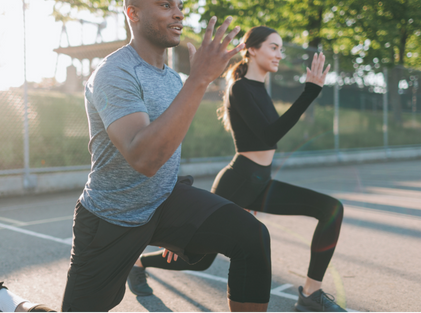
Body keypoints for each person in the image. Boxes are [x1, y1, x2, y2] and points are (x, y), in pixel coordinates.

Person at [0, 0, 275, 313]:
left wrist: (183, 224)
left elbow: (166, 149)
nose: (178, 14)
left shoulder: (170, 79)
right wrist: (199, 79)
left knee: (252, 237)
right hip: (113, 217)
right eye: (166, 5)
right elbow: (145, 157)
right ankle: (8, 304)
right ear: (133, 13)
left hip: (164, 200)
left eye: (180, 7)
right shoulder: (114, 73)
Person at [128, 26, 346, 313]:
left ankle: (310, 292)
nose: (279, 54)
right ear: (252, 49)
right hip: (239, 181)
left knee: (331, 209)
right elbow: (269, 136)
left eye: (281, 48)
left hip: (261, 182)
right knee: (199, 257)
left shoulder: (259, 88)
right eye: (274, 47)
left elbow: (268, 137)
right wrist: (309, 93)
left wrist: (310, 93)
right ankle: (138, 263)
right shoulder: (240, 88)